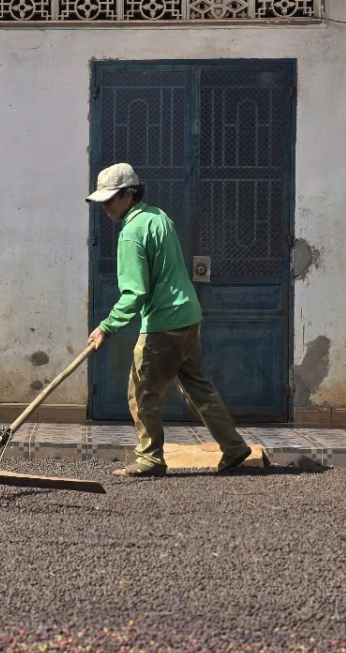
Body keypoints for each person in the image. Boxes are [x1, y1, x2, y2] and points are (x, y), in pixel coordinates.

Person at [85, 163, 254, 478]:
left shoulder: (132, 233)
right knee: (198, 387)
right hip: (188, 317)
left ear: (128, 194)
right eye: (103, 201)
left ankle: (150, 458)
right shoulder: (159, 217)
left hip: (163, 325)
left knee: (143, 392)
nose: (105, 207)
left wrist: (106, 327)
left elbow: (135, 292)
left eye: (110, 199)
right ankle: (234, 447)